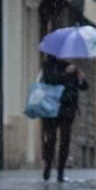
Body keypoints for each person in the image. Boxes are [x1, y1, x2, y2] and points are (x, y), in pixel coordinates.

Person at [40, 54, 88, 182]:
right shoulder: (49, 66)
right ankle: (48, 165)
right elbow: (51, 80)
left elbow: (83, 87)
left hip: (68, 108)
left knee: (65, 140)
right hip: (52, 107)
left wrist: (81, 79)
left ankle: (61, 170)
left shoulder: (72, 67)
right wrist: (66, 73)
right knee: (50, 139)